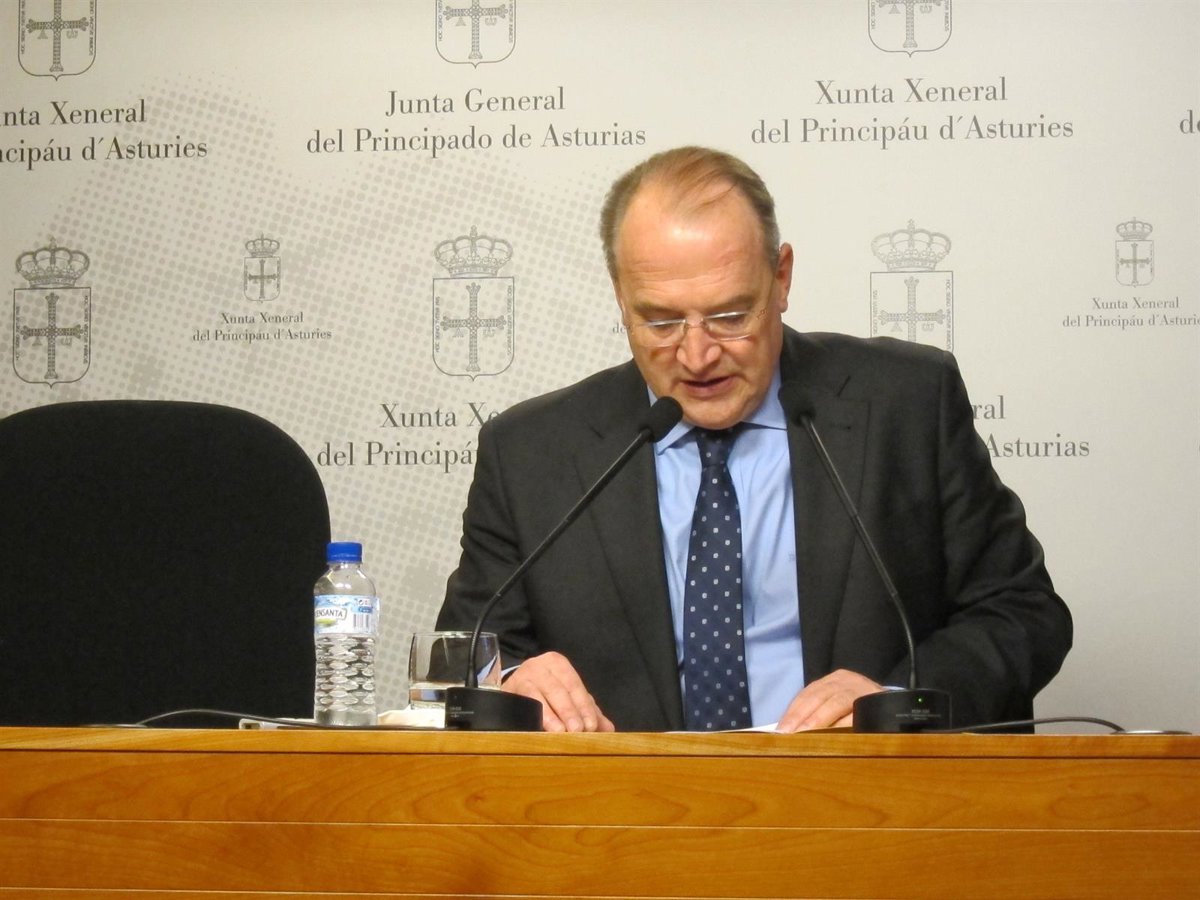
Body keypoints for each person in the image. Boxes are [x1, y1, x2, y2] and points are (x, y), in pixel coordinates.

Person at [437, 146, 1071, 732]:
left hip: (863, 796)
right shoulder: (530, 452)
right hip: (624, 805)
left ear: (782, 278)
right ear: (620, 298)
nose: (697, 355)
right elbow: (462, 659)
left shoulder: (906, 403)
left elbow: (1023, 613)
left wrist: (897, 701)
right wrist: (512, 682)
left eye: (730, 315)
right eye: (660, 321)